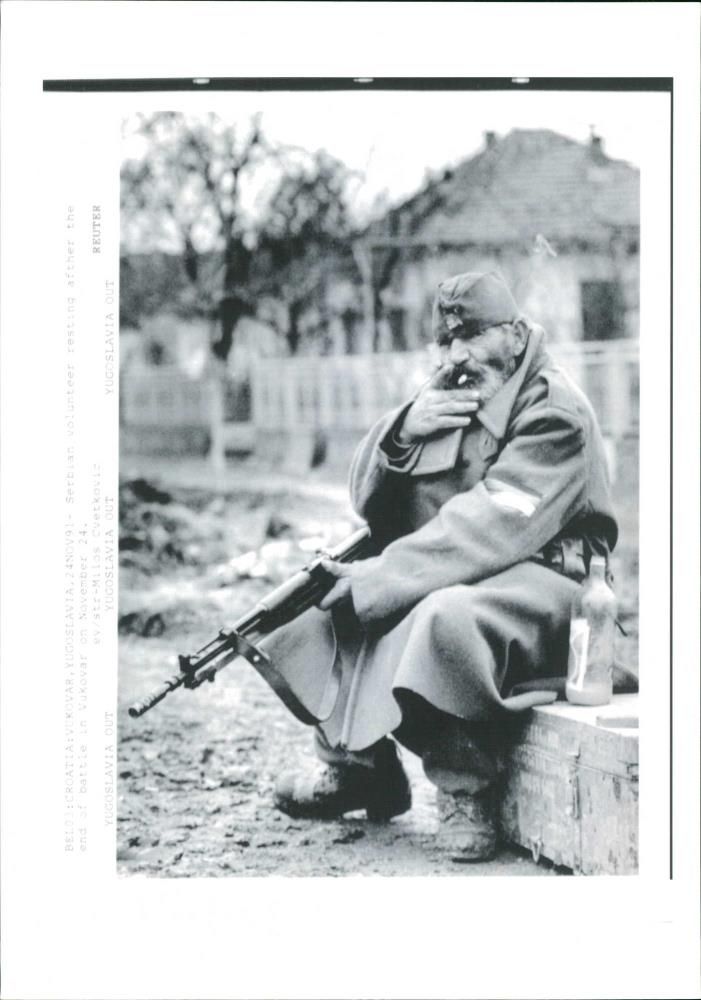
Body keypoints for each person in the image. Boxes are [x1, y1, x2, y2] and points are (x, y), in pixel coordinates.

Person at [263, 270, 619, 861]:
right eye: (446, 341)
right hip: (475, 569)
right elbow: (370, 504)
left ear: (514, 333)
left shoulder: (555, 414)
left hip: (560, 592)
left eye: (472, 337)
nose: (457, 355)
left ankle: (466, 791)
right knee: (327, 599)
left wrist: (381, 579)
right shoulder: (456, 389)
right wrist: (402, 430)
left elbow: (490, 523)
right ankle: (359, 767)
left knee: (442, 615)